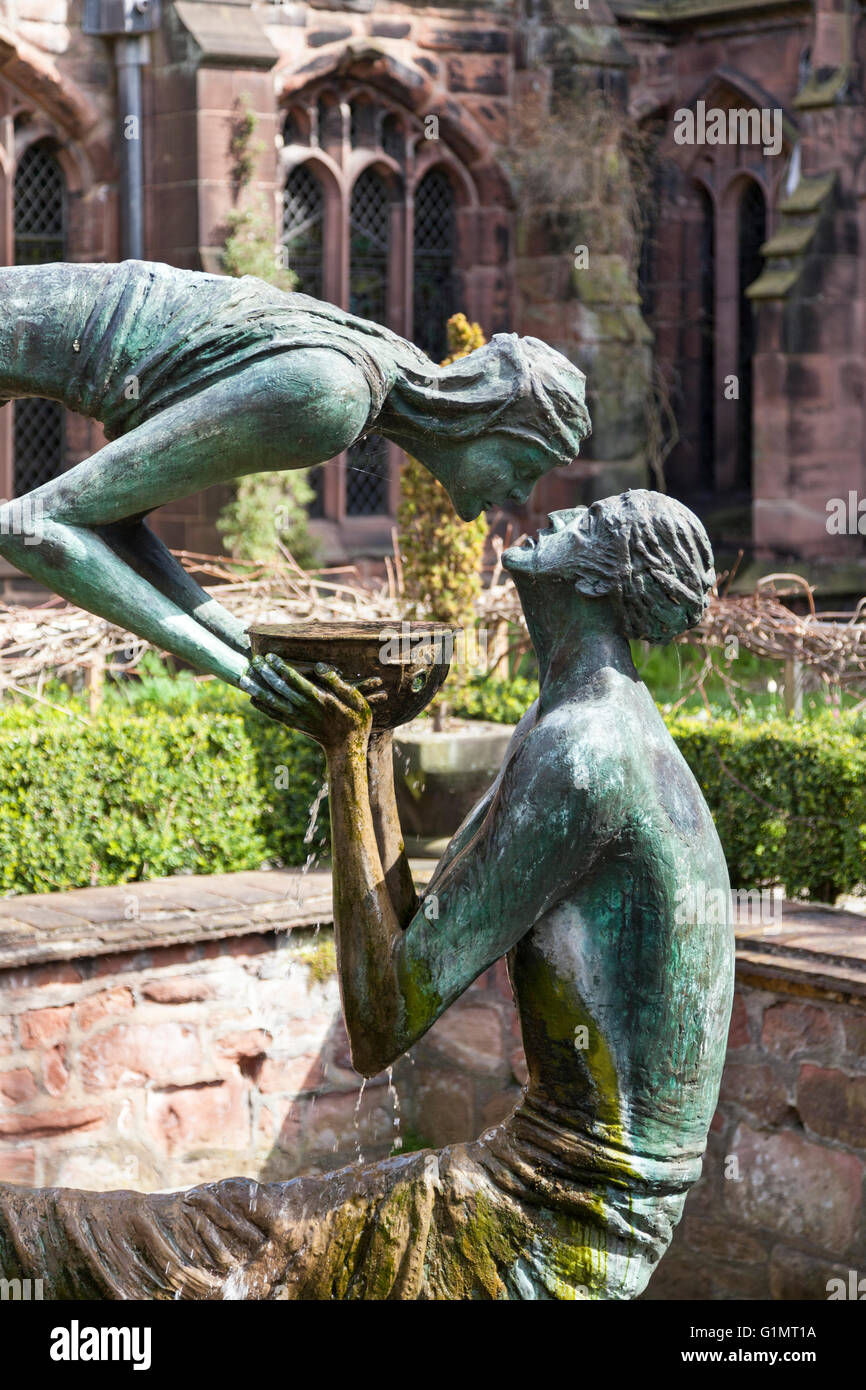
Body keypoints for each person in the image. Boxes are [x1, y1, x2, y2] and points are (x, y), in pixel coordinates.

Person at [0, 490, 734, 1300]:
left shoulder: (590, 753)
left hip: (572, 1218)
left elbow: (382, 1021)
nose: (563, 515)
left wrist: (351, 755)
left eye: (595, 522)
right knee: (213, 1230)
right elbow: (415, 940)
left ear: (606, 579)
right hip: (555, 1180)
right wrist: (366, 740)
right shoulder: (564, 720)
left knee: (202, 1247)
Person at [0, 260, 590, 701]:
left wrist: (252, 651)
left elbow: (111, 525)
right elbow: (34, 526)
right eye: (525, 468)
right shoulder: (333, 397)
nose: (520, 497)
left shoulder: (363, 373)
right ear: (483, 420)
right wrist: (245, 675)